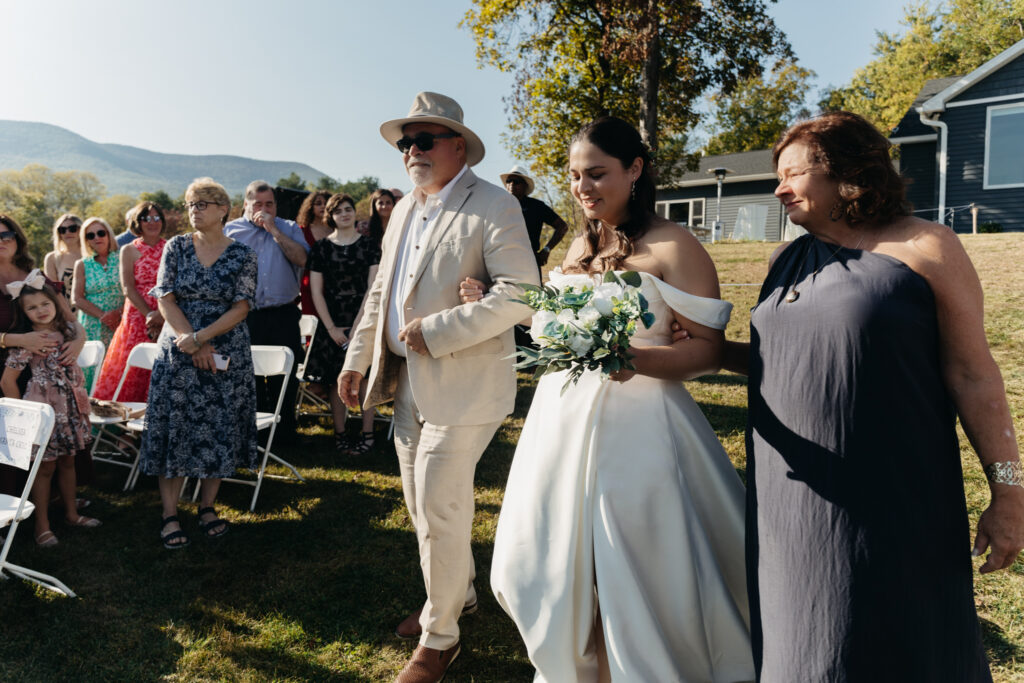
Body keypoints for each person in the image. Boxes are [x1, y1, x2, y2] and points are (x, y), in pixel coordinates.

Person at [715, 111, 1023, 681]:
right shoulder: (785, 261)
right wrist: (703, 348)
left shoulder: (926, 245)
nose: (778, 188)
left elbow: (974, 374)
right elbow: (779, 360)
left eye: (793, 173)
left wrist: (1009, 493)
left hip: (898, 501)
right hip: (794, 503)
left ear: (847, 172)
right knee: (804, 648)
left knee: (904, 643)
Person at [463, 116, 754, 681]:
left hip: (640, 428)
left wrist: (631, 359)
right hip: (560, 422)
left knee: (633, 562)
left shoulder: (675, 244)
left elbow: (707, 353)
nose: (582, 188)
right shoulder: (577, 245)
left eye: (596, 174)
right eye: (574, 177)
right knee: (547, 560)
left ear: (635, 169)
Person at [337, 91, 539, 683]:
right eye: (405, 143)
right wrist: (357, 357)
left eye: (424, 141)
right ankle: (460, 597)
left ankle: (439, 635)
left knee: (439, 505)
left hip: (468, 384)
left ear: (458, 145)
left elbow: (522, 293)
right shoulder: (401, 210)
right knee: (420, 506)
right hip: (406, 389)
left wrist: (439, 331)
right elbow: (383, 294)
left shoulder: (495, 205)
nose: (412, 152)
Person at [139, 177, 258, 550]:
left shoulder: (243, 255)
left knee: (218, 426)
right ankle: (170, 514)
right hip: (178, 346)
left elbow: (242, 306)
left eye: (203, 203)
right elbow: (165, 298)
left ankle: (207, 507)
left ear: (224, 209)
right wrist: (190, 341)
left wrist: (203, 339)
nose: (195, 210)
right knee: (176, 426)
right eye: (191, 204)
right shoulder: (175, 247)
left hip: (224, 346)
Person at [1, 274, 97, 547]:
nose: (41, 310)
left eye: (45, 303)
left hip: (70, 410)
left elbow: (78, 332)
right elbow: (7, 381)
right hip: (43, 414)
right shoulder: (31, 340)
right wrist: (24, 417)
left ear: (55, 303)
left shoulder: (69, 332)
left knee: (68, 462)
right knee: (44, 469)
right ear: (23, 313)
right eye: (32, 307)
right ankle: (41, 526)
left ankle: (71, 514)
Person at [0, 215, 87, 498]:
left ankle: (55, 505)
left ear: (17, 237)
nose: (1, 242)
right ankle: (10, 509)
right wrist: (17, 340)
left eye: (5, 235)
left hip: (42, 380)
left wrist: (80, 339)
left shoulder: (33, 274)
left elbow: (68, 318)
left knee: (51, 451)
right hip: (8, 375)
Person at [224, 181, 309, 443]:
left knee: (284, 375)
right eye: (258, 204)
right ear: (245, 205)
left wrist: (273, 230)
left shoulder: (289, 228)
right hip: (245, 315)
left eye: (269, 204)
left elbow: (303, 260)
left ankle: (285, 434)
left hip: (283, 313)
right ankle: (255, 433)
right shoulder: (230, 231)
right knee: (249, 373)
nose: (264, 209)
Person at [305, 193, 380, 453]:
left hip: (364, 318)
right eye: (338, 211)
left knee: (366, 377)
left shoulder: (370, 246)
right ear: (331, 216)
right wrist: (331, 329)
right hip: (332, 321)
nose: (345, 214)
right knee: (335, 379)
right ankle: (341, 435)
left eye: (348, 209)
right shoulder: (321, 248)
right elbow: (316, 292)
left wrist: (359, 326)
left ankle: (368, 434)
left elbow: (373, 288)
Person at [92, 201, 167, 401]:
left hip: (168, 313)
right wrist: (150, 314)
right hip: (137, 316)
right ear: (138, 222)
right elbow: (128, 287)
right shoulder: (128, 250)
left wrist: (163, 314)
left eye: (156, 217)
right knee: (131, 368)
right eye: (146, 218)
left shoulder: (171, 248)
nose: (152, 223)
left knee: (161, 366)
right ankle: (126, 426)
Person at [71, 218, 123, 388]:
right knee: (92, 369)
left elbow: (133, 289)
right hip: (93, 323)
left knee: (118, 365)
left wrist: (118, 314)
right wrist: (103, 316)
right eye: (90, 235)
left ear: (108, 234)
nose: (96, 238)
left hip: (121, 322)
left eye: (101, 233)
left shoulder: (123, 257)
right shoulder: (82, 264)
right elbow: (77, 298)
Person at [499, 165, 568, 268]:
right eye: (509, 181)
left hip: (529, 262)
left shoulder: (536, 206)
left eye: (517, 182)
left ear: (525, 185)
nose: (512, 184)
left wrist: (547, 250)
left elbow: (562, 226)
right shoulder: (499, 206)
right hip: (502, 261)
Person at [296, 190, 332, 318]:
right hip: (309, 287)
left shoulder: (338, 229)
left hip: (335, 288)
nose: (323, 206)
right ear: (310, 207)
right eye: (318, 203)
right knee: (311, 330)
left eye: (326, 203)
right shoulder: (301, 231)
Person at [42, 213, 83, 310]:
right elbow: (53, 293)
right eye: (62, 230)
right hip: (69, 314)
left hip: (97, 312)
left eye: (72, 228)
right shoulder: (52, 258)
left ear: (81, 229)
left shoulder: (91, 254)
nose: (67, 232)